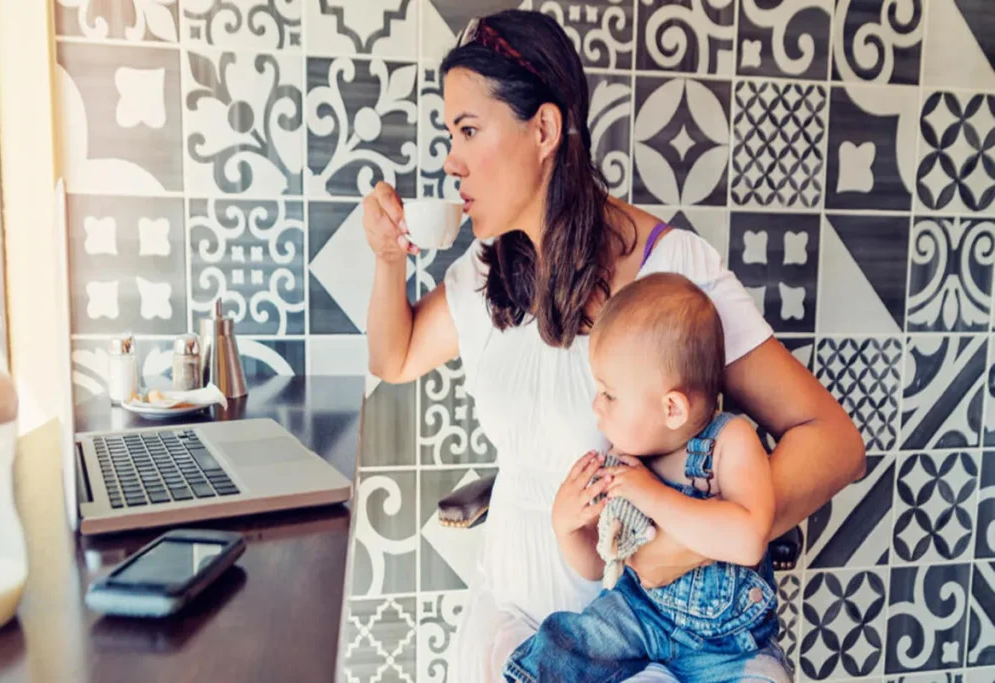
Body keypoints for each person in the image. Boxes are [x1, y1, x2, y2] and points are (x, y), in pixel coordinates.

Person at [362, 10, 864, 682]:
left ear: (543, 129)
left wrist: (693, 538)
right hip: (515, 617)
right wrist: (386, 256)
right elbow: (392, 360)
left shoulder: (671, 271)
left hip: (644, 633)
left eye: (468, 130)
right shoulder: (487, 273)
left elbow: (833, 440)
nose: (451, 160)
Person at [503, 273, 786, 683]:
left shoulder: (730, 441)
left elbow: (747, 539)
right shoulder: (623, 457)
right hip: (638, 614)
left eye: (609, 394)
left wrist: (651, 494)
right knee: (566, 641)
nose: (596, 406)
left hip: (729, 642)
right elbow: (603, 563)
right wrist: (566, 527)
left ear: (672, 408)